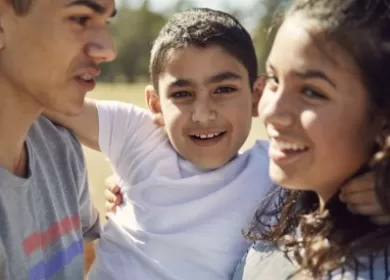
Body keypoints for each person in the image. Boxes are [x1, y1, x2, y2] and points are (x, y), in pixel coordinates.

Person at [46, 8, 273, 280]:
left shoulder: (272, 171)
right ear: (155, 104)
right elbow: (45, 97)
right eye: (182, 94)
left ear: (256, 96)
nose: (202, 114)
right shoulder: (137, 136)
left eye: (224, 90)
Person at [232, 0, 390, 279]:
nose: (270, 111)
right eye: (274, 79)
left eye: (312, 92)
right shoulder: (286, 195)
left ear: (382, 117)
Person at [0, 0, 116, 278]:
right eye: (80, 19)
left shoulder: (59, 147)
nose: (108, 50)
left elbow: (86, 251)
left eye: (106, 22)